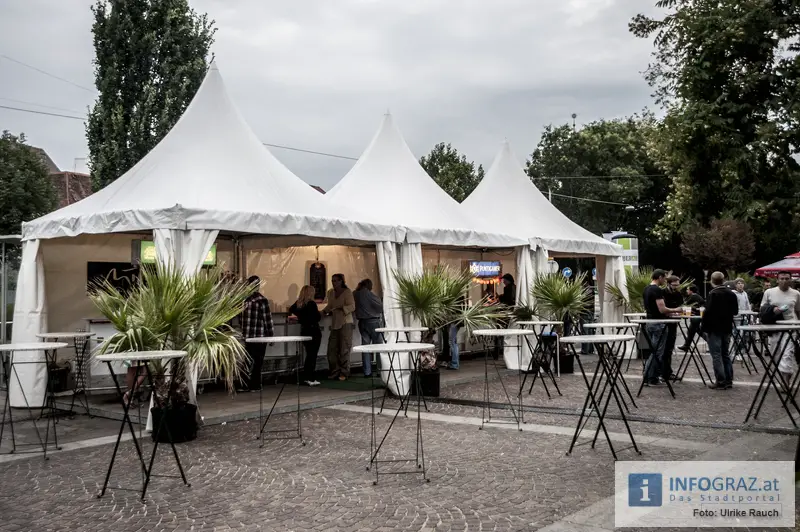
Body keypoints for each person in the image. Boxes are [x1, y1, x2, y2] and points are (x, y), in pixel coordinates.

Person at [642, 269, 682, 386]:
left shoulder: (646, 289)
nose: (665, 280)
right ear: (659, 277)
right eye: (664, 278)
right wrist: (675, 310)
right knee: (657, 352)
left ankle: (650, 376)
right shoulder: (657, 290)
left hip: (649, 322)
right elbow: (662, 309)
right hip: (658, 323)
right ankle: (650, 377)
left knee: (653, 350)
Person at [703, 271, 739, 390]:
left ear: (712, 281)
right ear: (723, 280)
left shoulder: (713, 294)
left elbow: (708, 312)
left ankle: (720, 380)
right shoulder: (731, 293)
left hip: (714, 327)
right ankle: (728, 380)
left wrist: (704, 327)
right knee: (725, 354)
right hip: (727, 326)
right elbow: (735, 311)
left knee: (716, 355)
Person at [762, 271, 800, 385]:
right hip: (774, 327)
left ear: (790, 280)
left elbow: (798, 311)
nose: (784, 281)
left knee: (787, 354)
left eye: (787, 278)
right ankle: (785, 374)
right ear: (777, 280)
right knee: (776, 354)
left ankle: (785, 381)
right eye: (782, 279)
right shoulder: (769, 292)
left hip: (791, 327)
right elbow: (762, 308)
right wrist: (772, 310)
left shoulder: (796, 294)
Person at [241, 275, 274, 391]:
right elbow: (267, 319)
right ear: (258, 286)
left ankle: (244, 384)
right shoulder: (262, 300)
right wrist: (271, 336)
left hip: (248, 336)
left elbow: (241, 319)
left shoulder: (243, 300)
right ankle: (255, 384)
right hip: (260, 336)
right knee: (258, 361)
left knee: (247, 360)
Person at [323, 273, 355, 381]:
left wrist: (342, 308)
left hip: (346, 322)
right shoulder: (330, 293)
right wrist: (323, 312)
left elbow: (352, 306)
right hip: (335, 323)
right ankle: (334, 371)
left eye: (336, 280)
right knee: (331, 349)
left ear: (341, 281)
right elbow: (330, 306)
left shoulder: (347, 292)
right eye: (332, 280)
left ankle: (344, 372)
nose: (334, 283)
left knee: (344, 349)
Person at [290, 285, 322, 387]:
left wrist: (300, 318)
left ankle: (307, 376)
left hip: (304, 330)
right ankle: (310, 377)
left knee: (309, 354)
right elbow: (316, 318)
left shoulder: (299, 303)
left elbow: (291, 309)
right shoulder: (311, 304)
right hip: (314, 331)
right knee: (312, 355)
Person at [354, 279, 383, 377]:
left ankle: (367, 371)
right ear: (368, 285)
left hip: (362, 322)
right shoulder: (368, 294)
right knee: (378, 346)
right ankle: (379, 370)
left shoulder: (355, 293)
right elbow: (380, 306)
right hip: (373, 321)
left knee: (365, 347)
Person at [662, 275, 684, 380]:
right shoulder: (663, 292)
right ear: (669, 283)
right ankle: (664, 372)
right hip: (665, 322)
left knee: (669, 348)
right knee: (665, 348)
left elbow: (681, 305)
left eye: (677, 284)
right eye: (674, 284)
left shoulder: (678, 293)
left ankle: (667, 372)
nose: (676, 287)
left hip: (674, 321)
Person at [678, 284, 705, 352]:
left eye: (688, 289)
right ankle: (686, 346)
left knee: (691, 331)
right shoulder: (697, 296)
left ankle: (686, 346)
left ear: (691, 290)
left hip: (696, 316)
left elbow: (684, 305)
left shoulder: (693, 296)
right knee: (696, 331)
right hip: (698, 316)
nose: (687, 291)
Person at [495, 273, 516, 359]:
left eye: (504, 280)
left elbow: (507, 299)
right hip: (512, 311)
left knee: (501, 330)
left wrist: (500, 297)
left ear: (508, 281)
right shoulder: (515, 287)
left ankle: (498, 351)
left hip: (507, 312)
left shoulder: (507, 288)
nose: (503, 282)